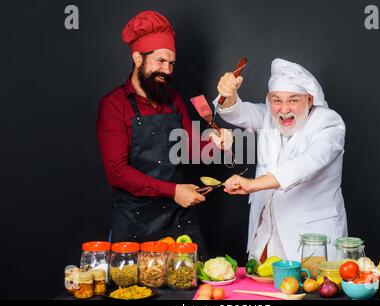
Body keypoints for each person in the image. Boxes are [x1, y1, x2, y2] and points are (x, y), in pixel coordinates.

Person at [96, 11, 229, 255]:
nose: (167, 70)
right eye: (160, 61)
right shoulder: (114, 105)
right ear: (138, 58)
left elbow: (191, 148)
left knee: (197, 291)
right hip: (135, 225)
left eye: (171, 63)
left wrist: (216, 142)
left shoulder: (173, 100)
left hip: (181, 222)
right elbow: (117, 173)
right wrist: (174, 191)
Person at [215, 58, 348, 261]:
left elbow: (305, 164)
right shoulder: (269, 115)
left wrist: (252, 184)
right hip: (266, 239)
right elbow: (239, 113)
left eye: (293, 100)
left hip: (312, 243)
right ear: (270, 100)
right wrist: (230, 95)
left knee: (313, 290)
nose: (284, 109)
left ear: (309, 100)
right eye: (277, 100)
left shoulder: (329, 123)